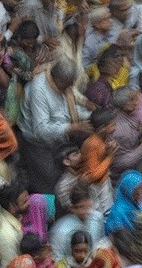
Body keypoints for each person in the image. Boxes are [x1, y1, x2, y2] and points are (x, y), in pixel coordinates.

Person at [17, 58, 93, 194]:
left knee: (63, 178)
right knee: (49, 182)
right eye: (69, 84)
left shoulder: (63, 87)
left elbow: (66, 110)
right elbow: (41, 129)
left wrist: (90, 114)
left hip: (57, 140)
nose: (71, 86)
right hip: (37, 144)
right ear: (57, 79)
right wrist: (72, 128)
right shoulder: (38, 90)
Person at [0, 183, 29, 268]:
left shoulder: (2, 209)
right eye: (25, 202)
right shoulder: (8, 236)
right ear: (12, 207)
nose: (29, 203)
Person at [105, 169, 142, 233]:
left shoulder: (137, 201)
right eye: (136, 192)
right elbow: (116, 234)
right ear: (127, 192)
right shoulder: (118, 214)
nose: (141, 194)